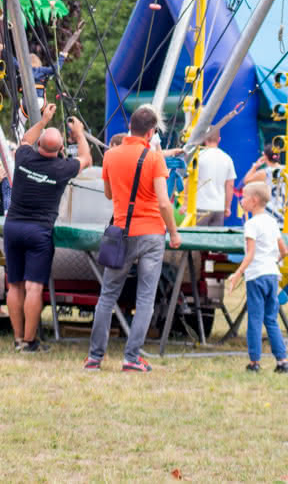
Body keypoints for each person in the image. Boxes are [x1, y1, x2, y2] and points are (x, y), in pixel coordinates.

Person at [86, 105, 182, 375]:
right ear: (151, 132)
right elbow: (164, 202)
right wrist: (173, 232)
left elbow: (108, 194)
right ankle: (131, 358)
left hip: (120, 232)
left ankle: (94, 357)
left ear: (130, 126)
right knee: (145, 298)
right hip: (151, 232)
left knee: (107, 296)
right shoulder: (154, 159)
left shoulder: (111, 155)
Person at [3, 103, 86, 351]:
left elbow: (25, 140)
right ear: (61, 149)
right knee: (34, 287)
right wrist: (79, 133)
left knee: (14, 285)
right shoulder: (62, 168)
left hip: (13, 227)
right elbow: (86, 158)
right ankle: (29, 342)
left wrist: (43, 121)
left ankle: (18, 338)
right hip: (39, 232)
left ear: (40, 145)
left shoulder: (24, 157)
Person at [226, 182, 288, 374]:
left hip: (256, 277)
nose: (241, 200)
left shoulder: (251, 224)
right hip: (272, 275)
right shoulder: (271, 221)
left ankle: (254, 362)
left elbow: (250, 254)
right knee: (271, 319)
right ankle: (282, 361)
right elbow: (284, 251)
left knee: (255, 319)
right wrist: (272, 261)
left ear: (253, 201)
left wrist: (237, 274)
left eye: (243, 197)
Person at [194, 126, 237, 226]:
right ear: (219, 139)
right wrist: (227, 207)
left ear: (204, 138)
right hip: (219, 208)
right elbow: (230, 186)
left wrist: (185, 203)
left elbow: (189, 180)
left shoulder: (199, 156)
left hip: (200, 207)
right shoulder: (227, 159)